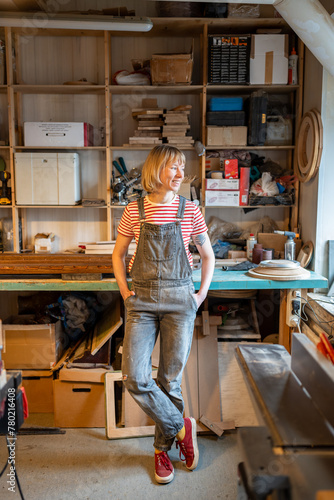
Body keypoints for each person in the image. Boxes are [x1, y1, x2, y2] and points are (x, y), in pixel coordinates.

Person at [112, 145, 215, 484]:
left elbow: (208, 255)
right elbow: (118, 255)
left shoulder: (190, 210)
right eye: (174, 167)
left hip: (179, 301)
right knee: (135, 377)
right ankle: (181, 427)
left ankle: (161, 452)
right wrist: (126, 293)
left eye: (182, 168)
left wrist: (200, 295)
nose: (181, 174)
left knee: (169, 380)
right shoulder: (133, 209)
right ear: (157, 170)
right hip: (140, 302)